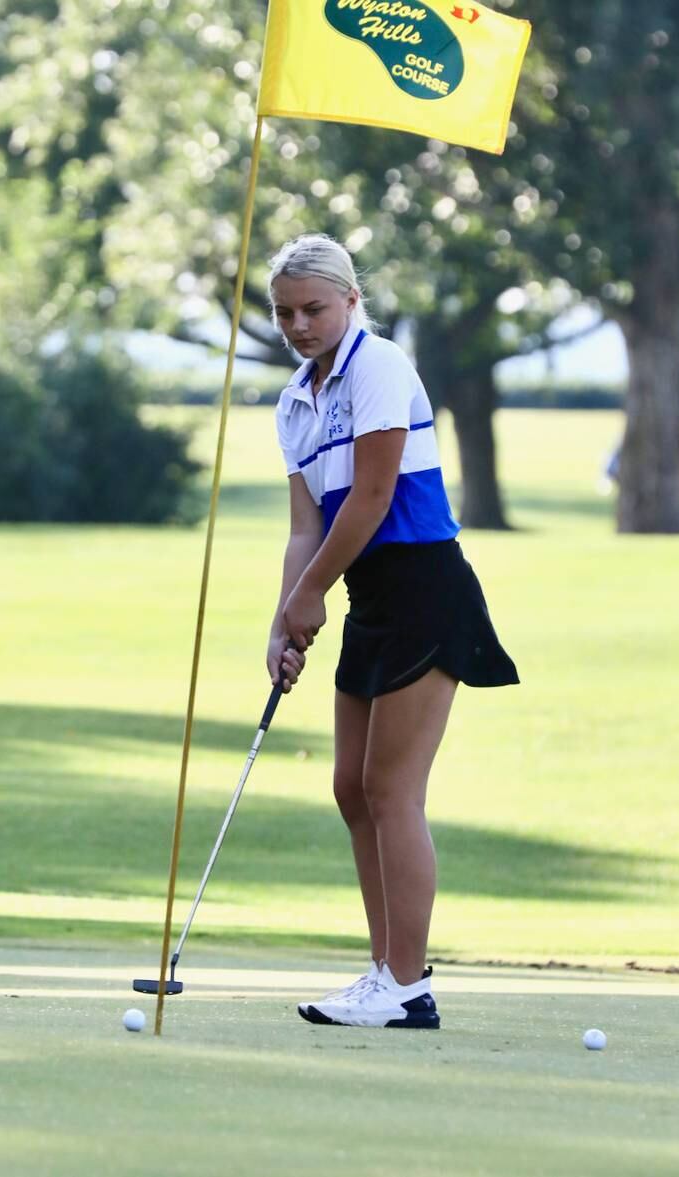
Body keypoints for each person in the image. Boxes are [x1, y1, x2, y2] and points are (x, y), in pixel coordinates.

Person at [266, 233, 519, 1030]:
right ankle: (383, 971)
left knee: (390, 788)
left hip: (422, 583)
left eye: (313, 308)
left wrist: (312, 595)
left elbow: (373, 498)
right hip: (370, 594)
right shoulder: (293, 401)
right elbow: (307, 525)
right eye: (284, 312)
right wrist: (286, 617)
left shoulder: (379, 366)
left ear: (350, 300)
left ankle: (405, 982)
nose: (300, 324)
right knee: (351, 787)